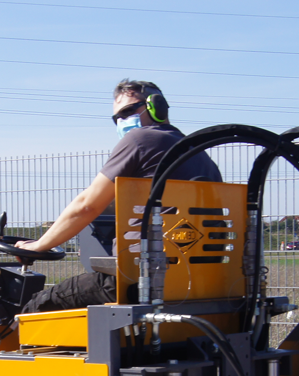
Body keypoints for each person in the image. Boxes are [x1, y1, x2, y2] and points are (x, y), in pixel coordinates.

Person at [13, 79, 222, 313]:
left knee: (36, 306)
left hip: (140, 279)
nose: (122, 121)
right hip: (200, 281)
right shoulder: (200, 155)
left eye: (128, 111)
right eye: (117, 118)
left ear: (157, 106)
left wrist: (39, 245)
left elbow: (86, 206)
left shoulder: (141, 139)